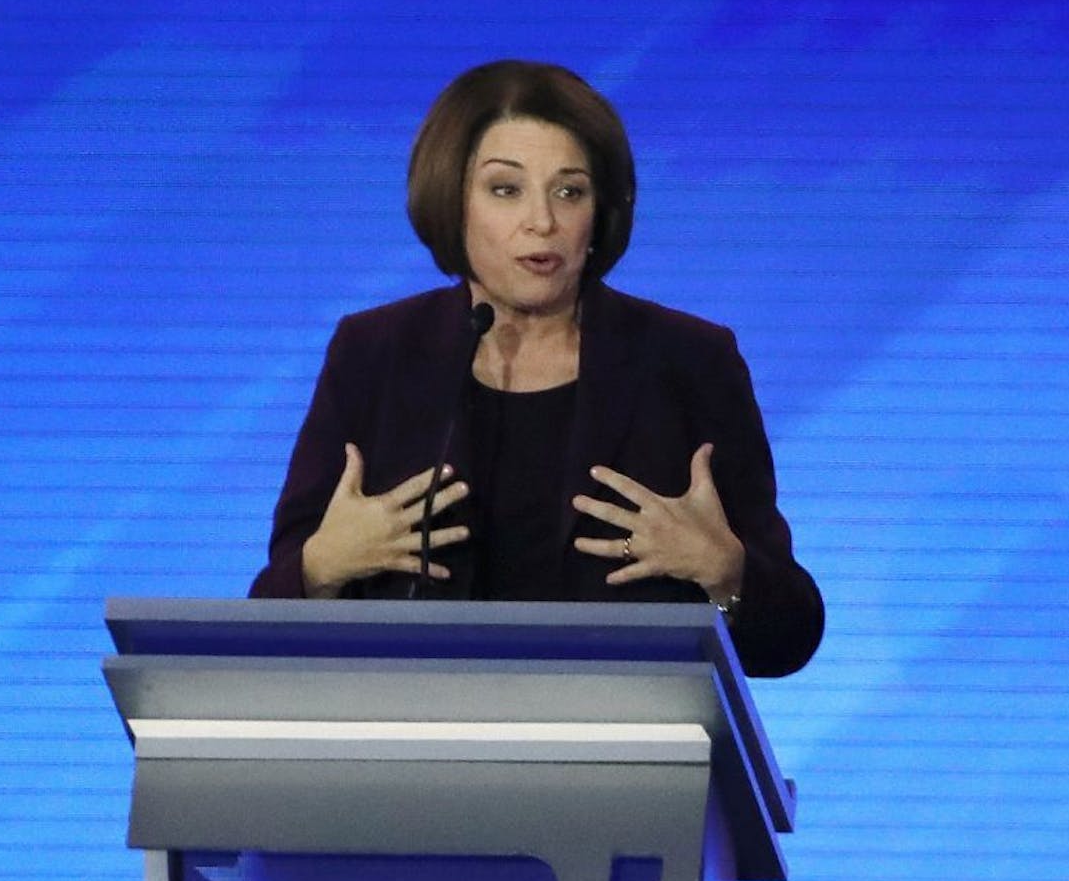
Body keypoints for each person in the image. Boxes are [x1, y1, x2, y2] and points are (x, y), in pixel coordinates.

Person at [249, 60, 822, 677]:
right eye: (505, 189)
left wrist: (725, 571)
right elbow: (268, 618)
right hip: (412, 747)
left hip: (624, 754)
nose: (542, 221)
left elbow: (788, 638)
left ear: (599, 214)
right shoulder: (373, 353)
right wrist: (321, 569)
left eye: (569, 190)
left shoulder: (689, 361)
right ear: (452, 199)